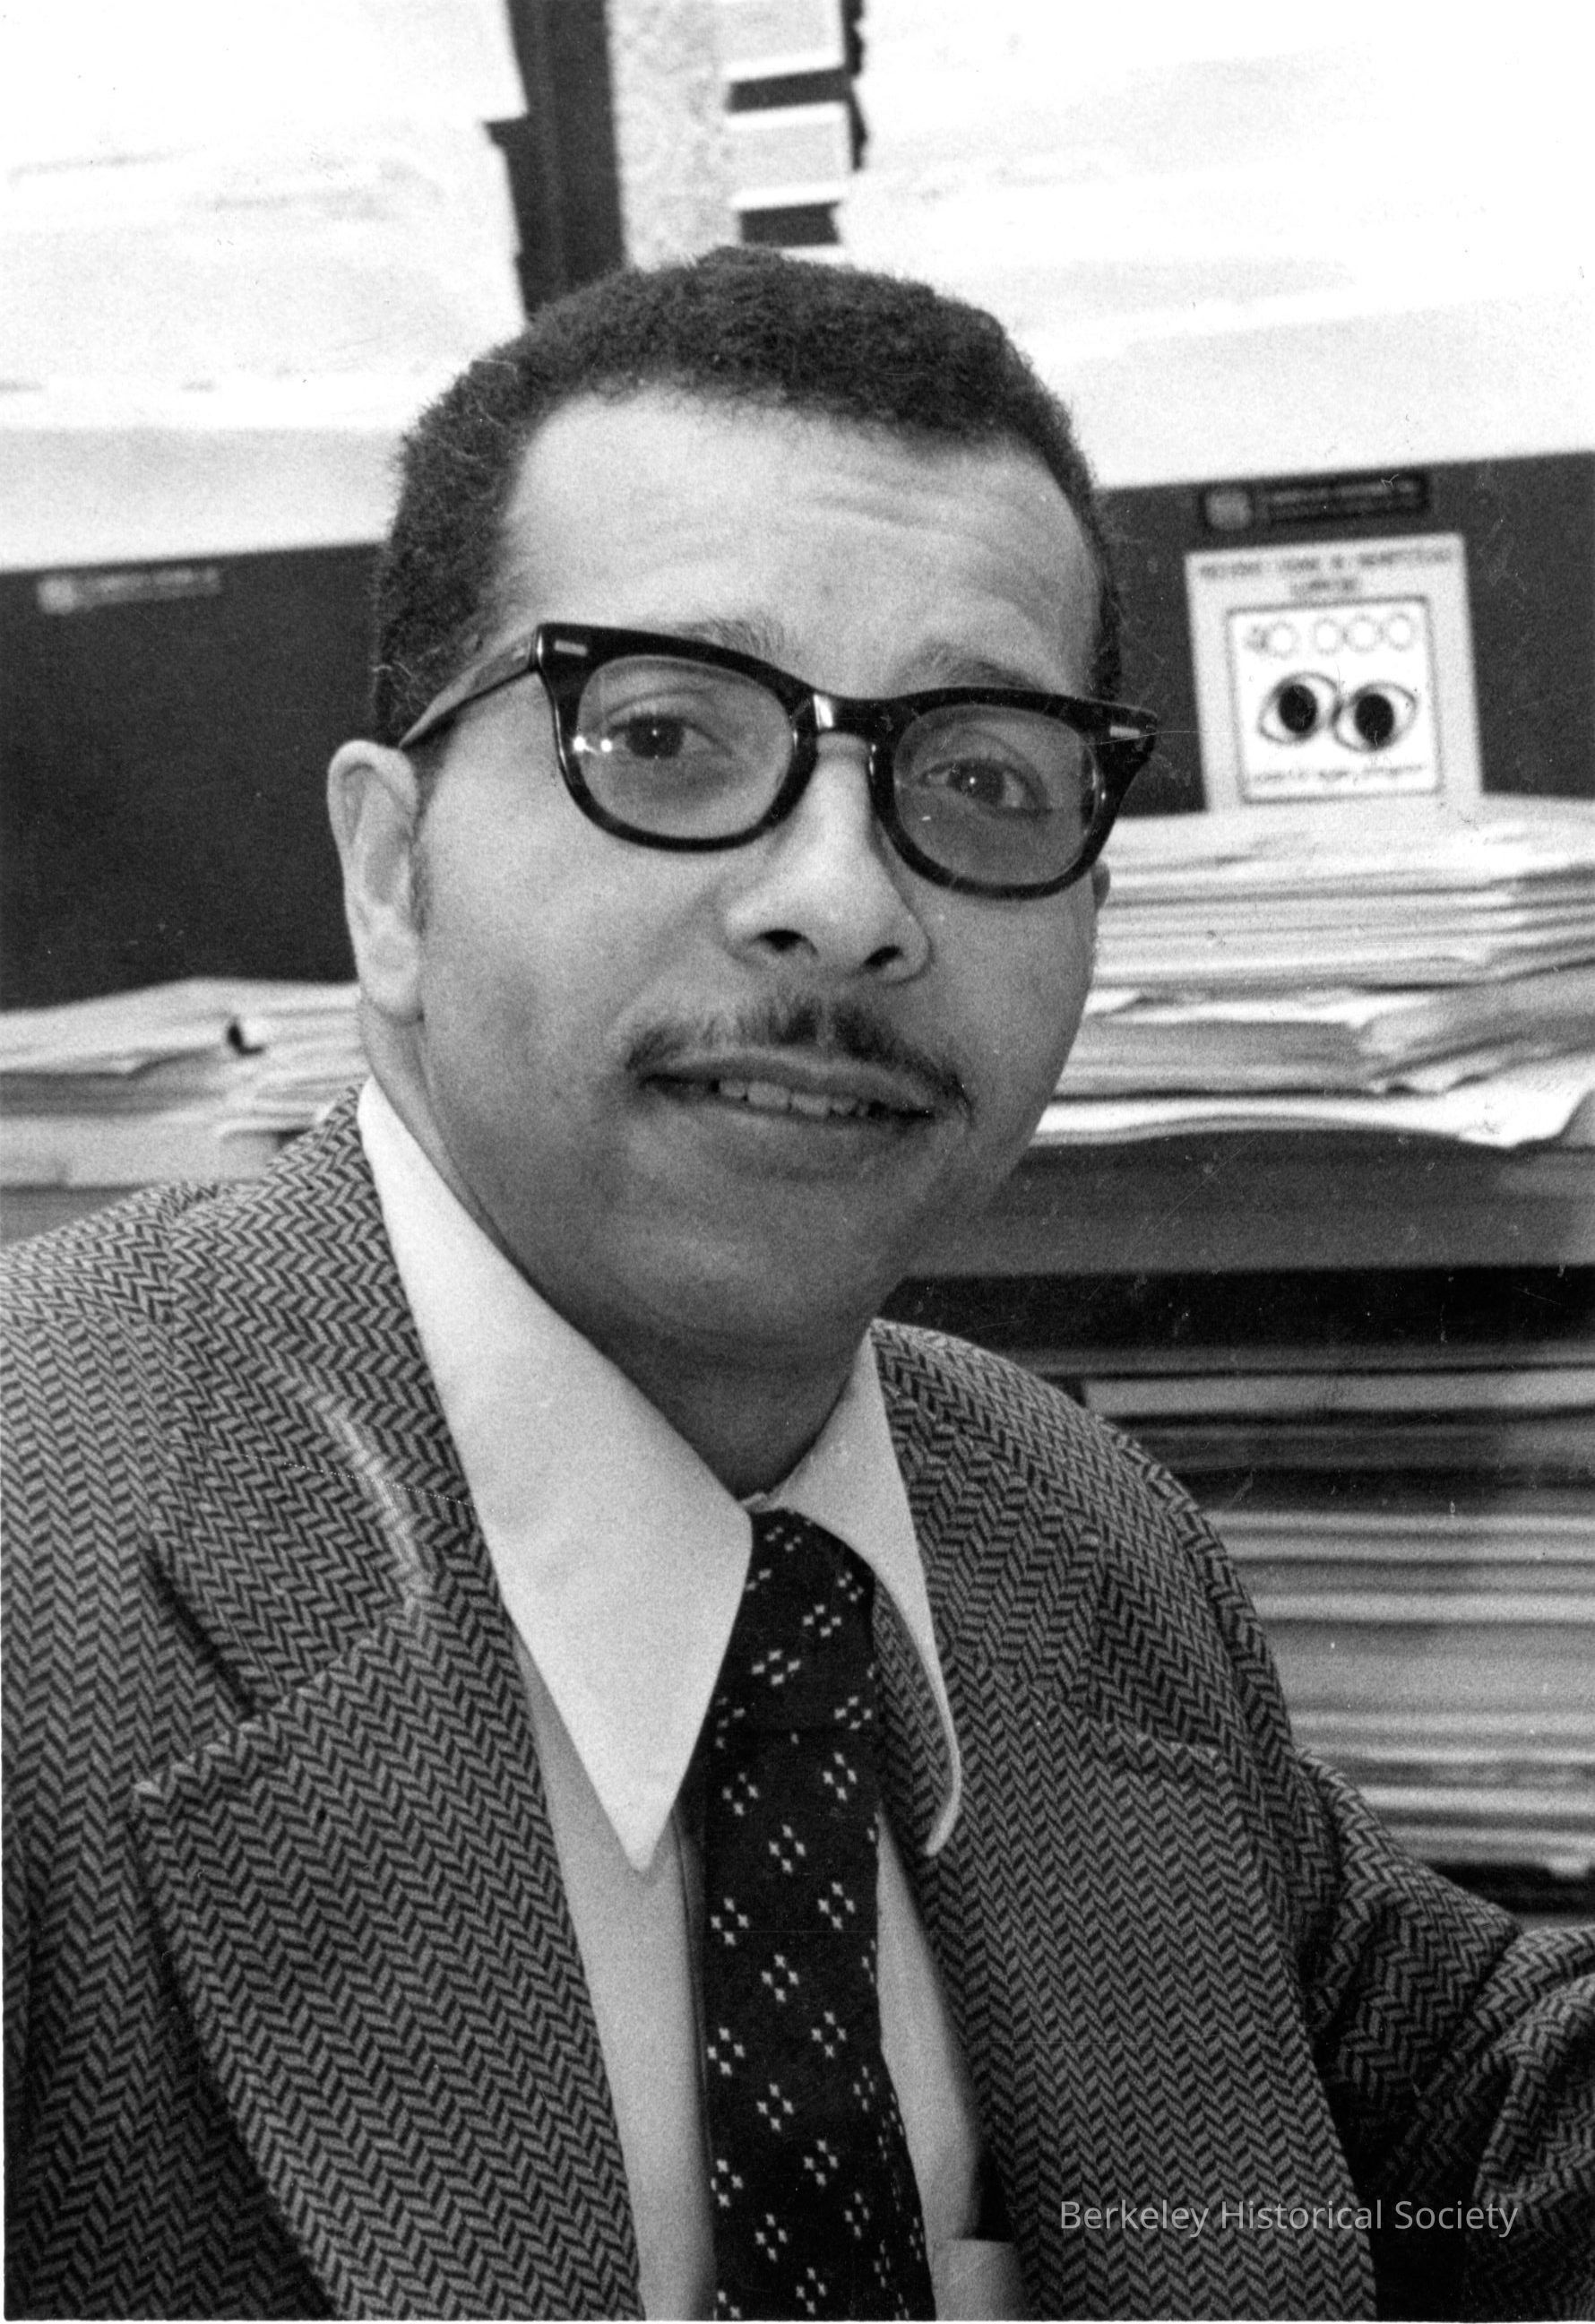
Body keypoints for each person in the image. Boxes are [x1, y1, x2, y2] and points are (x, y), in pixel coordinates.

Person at [4, 248, 1591, 2324]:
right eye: (665, 736)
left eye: (980, 779)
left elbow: (1476, 2110)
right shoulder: (38, 1568)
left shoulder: (1062, 1524)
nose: (841, 903)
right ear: (391, 874)